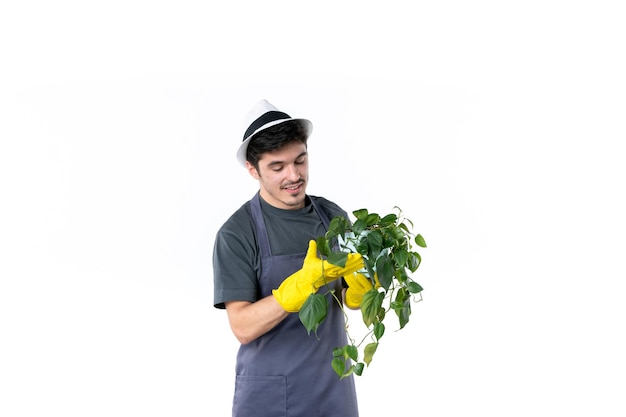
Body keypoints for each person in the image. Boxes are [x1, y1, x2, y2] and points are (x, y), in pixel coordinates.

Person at [212, 99, 370, 417]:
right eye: (278, 167)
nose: (294, 175)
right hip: (270, 398)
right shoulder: (237, 233)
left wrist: (361, 288)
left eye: (300, 161)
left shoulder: (332, 216)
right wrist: (293, 291)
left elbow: (347, 300)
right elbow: (241, 326)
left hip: (333, 390)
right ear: (252, 169)